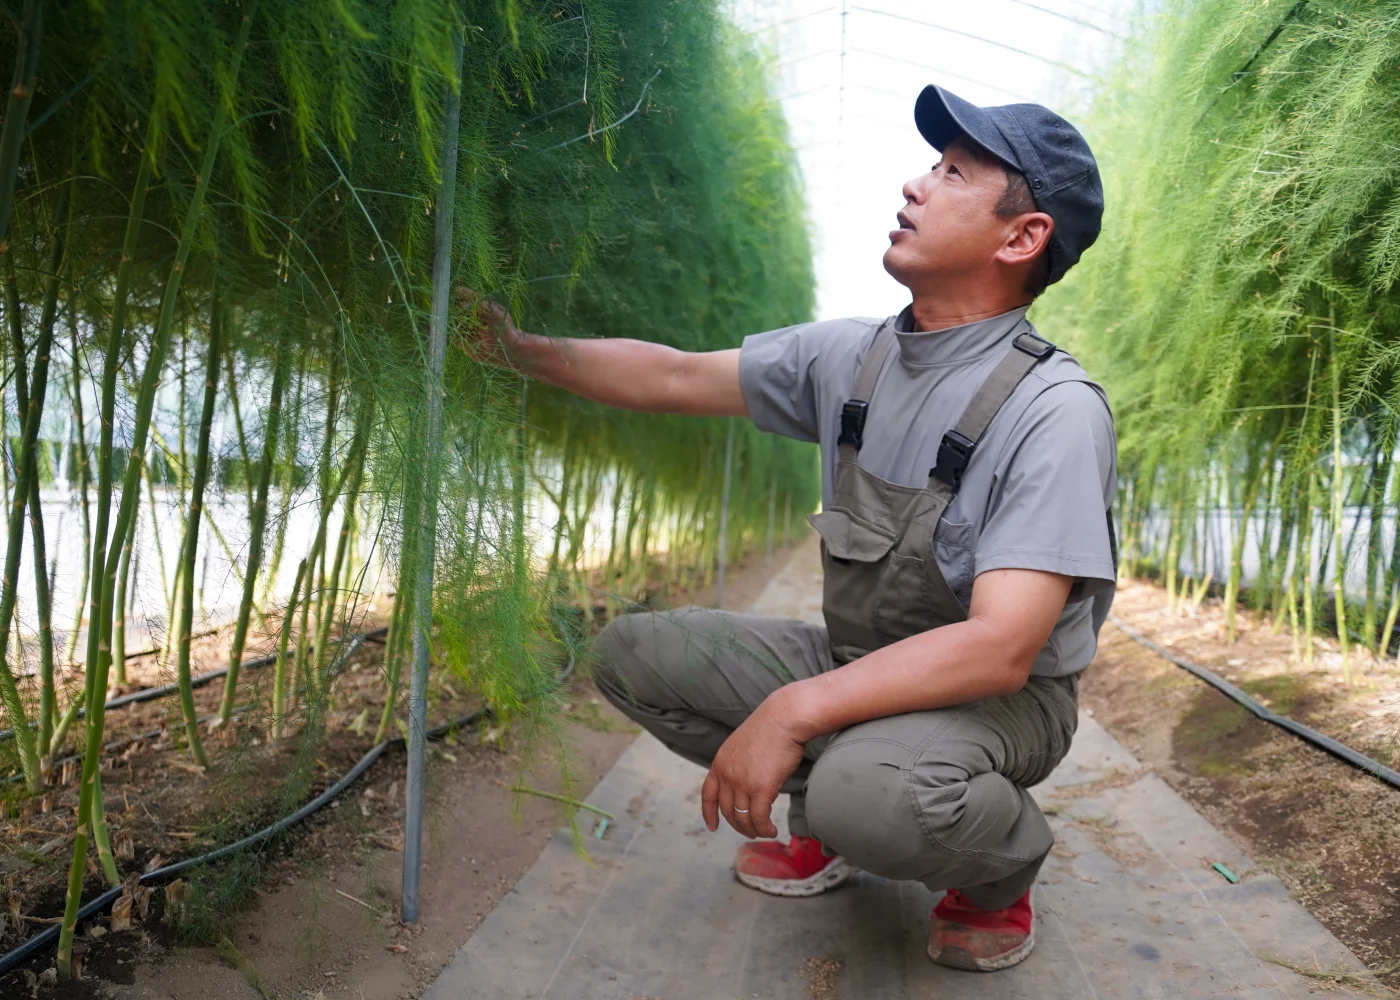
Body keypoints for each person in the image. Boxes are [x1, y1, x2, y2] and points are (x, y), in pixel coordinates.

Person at [460, 85, 1117, 974]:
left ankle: (1001, 869)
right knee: (635, 656)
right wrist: (522, 351)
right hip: (861, 671)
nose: (915, 186)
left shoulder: (1054, 412)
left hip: (999, 702)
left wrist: (790, 709)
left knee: (875, 796)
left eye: (954, 173)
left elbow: (1000, 649)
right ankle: (838, 809)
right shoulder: (851, 356)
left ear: (1021, 237)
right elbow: (675, 379)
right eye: (930, 164)